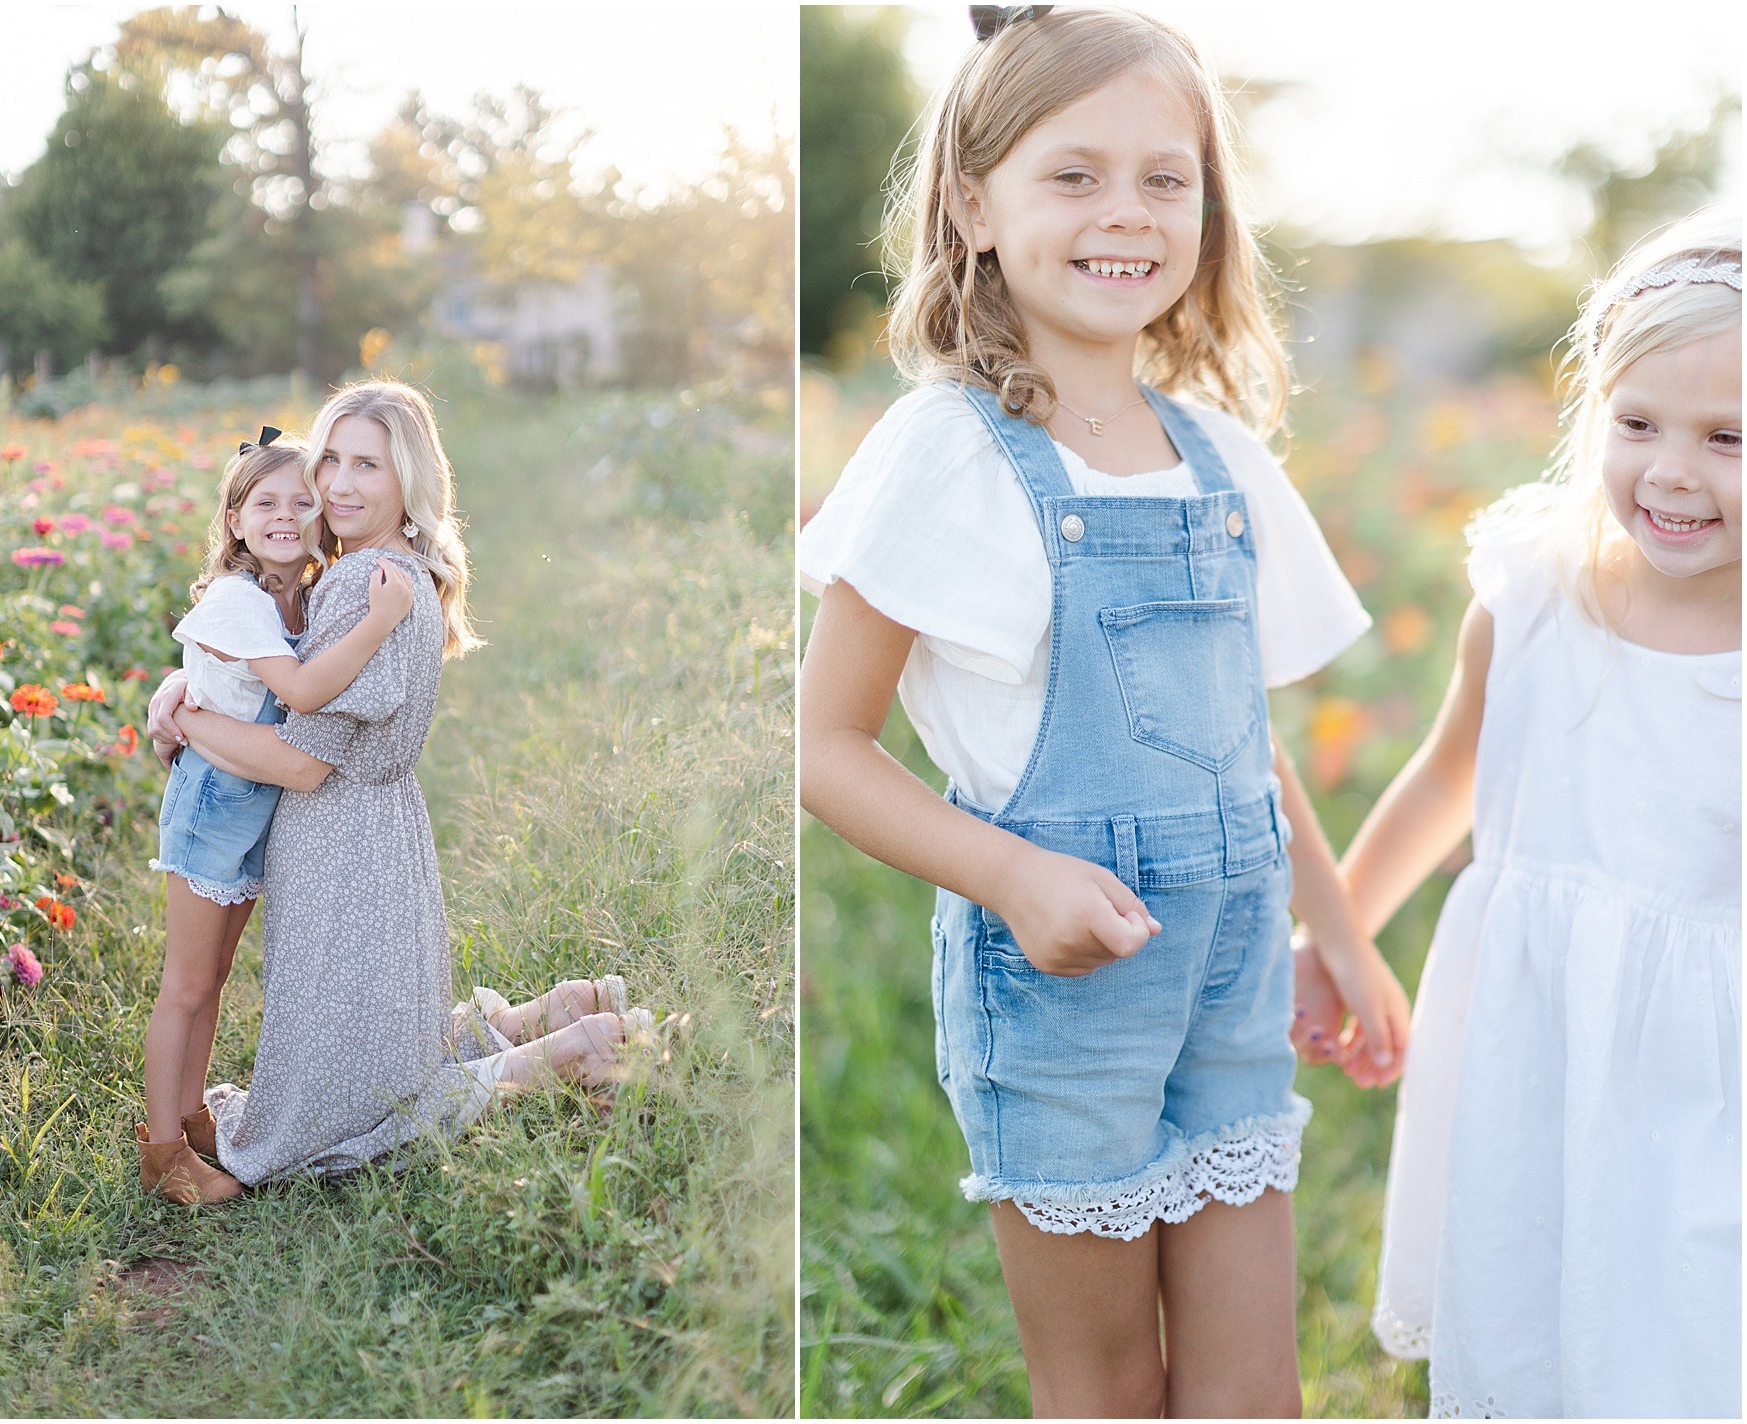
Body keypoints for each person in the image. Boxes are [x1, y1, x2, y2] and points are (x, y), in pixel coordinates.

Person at [798, 7, 1407, 1414]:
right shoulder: (948, 451)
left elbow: (1240, 740)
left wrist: (1336, 929)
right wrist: (1010, 875)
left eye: (1165, 177)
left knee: (1256, 1392)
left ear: (1209, 202)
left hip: (1234, 978)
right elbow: (827, 748)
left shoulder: (1219, 456)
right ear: (973, 203)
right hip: (1066, 997)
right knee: (1111, 1388)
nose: (1124, 213)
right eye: (1073, 175)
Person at [1323, 211, 1740, 1417]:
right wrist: (1338, 934)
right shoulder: (1533, 597)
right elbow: (1448, 775)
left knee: (1689, 1334)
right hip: (1535, 1043)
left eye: (1726, 437)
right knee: (1533, 1313)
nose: (1668, 469)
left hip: (1704, 1077)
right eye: (1637, 422)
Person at [148, 380, 650, 1187]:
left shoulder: (357, 586)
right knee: (372, 1034)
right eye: (331, 461)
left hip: (338, 835)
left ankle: (562, 1053)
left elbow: (305, 762)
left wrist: (187, 718)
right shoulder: (402, 569)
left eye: (367, 467)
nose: (340, 485)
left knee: (338, 1105)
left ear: (407, 480)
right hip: (386, 829)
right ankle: (543, 1021)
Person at [139, 428, 414, 1204]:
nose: (286, 515)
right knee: (186, 985)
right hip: (215, 806)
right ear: (234, 520)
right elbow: (298, 693)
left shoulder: (299, 590)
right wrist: (379, 621)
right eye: (266, 502)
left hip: (254, 804)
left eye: (303, 500)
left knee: (217, 976)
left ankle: (195, 1121)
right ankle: (162, 1155)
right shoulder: (236, 598)